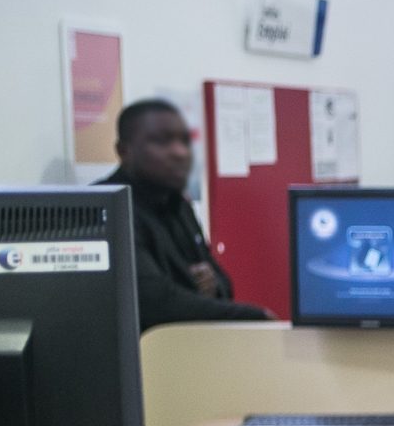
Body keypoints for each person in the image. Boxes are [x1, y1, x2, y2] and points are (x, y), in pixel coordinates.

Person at [97, 99, 271, 331]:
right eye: (161, 141)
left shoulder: (177, 202)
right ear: (124, 151)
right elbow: (155, 302)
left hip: (185, 348)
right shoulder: (107, 208)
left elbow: (223, 281)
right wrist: (255, 316)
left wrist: (214, 284)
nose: (180, 152)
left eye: (185, 142)